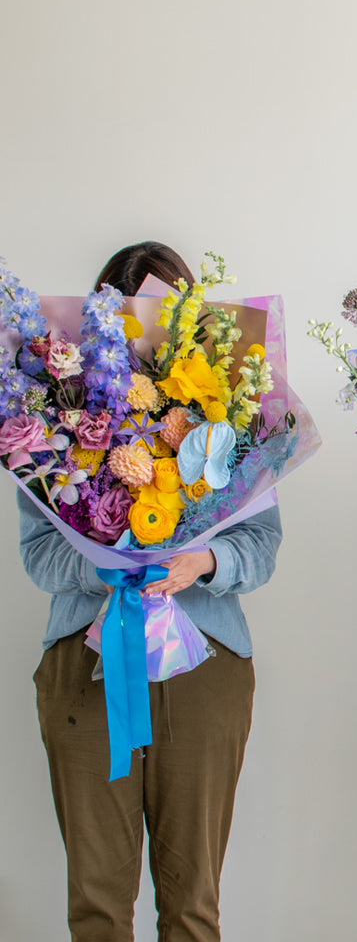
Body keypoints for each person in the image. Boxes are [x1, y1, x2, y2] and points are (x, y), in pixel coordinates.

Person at [19, 240, 282, 942]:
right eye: (126, 315)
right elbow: (42, 556)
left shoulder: (234, 414)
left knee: (192, 904)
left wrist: (201, 563)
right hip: (86, 663)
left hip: (206, 666)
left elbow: (260, 550)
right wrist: (106, 562)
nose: (147, 330)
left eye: (164, 314)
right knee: (97, 905)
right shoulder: (53, 420)